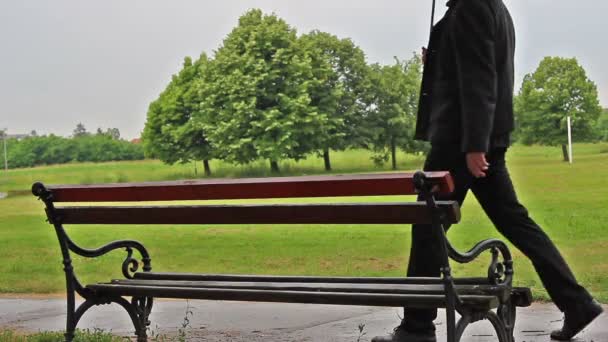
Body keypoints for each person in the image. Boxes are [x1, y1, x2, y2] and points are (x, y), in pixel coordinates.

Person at [371, 0, 603, 341]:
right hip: (480, 138)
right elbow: (477, 67)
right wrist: (437, 62)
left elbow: (480, 77)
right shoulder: (490, 6)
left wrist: (474, 145)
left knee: (427, 227)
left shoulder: (471, 6)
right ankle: (577, 303)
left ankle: (417, 328)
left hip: (459, 142)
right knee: (514, 220)